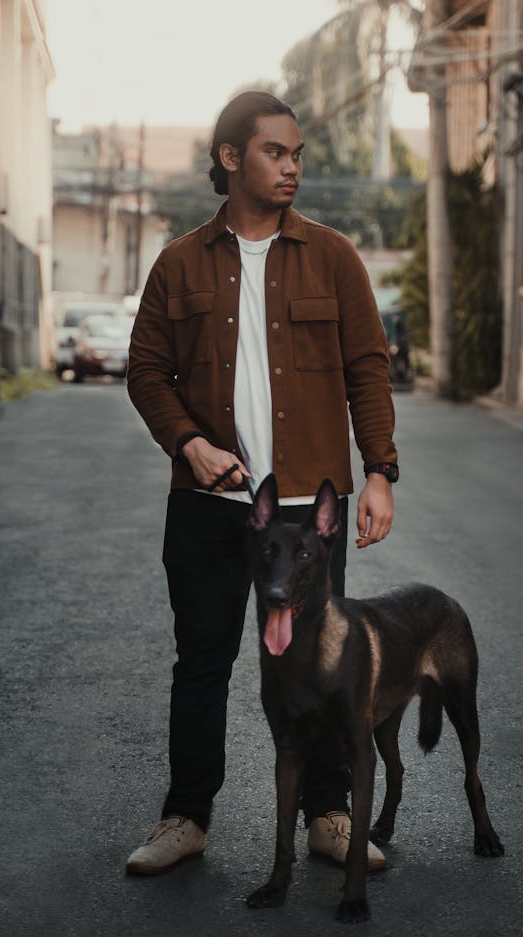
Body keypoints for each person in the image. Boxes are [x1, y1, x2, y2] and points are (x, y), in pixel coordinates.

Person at [125, 91, 399, 876]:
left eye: (298, 153)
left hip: (307, 517)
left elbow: (367, 370)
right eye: (277, 151)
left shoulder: (334, 256)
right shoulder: (180, 262)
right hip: (209, 504)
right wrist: (189, 443)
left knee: (322, 661)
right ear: (231, 157)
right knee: (204, 657)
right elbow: (146, 371)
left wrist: (378, 471)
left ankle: (330, 815)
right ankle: (186, 816)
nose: (293, 167)